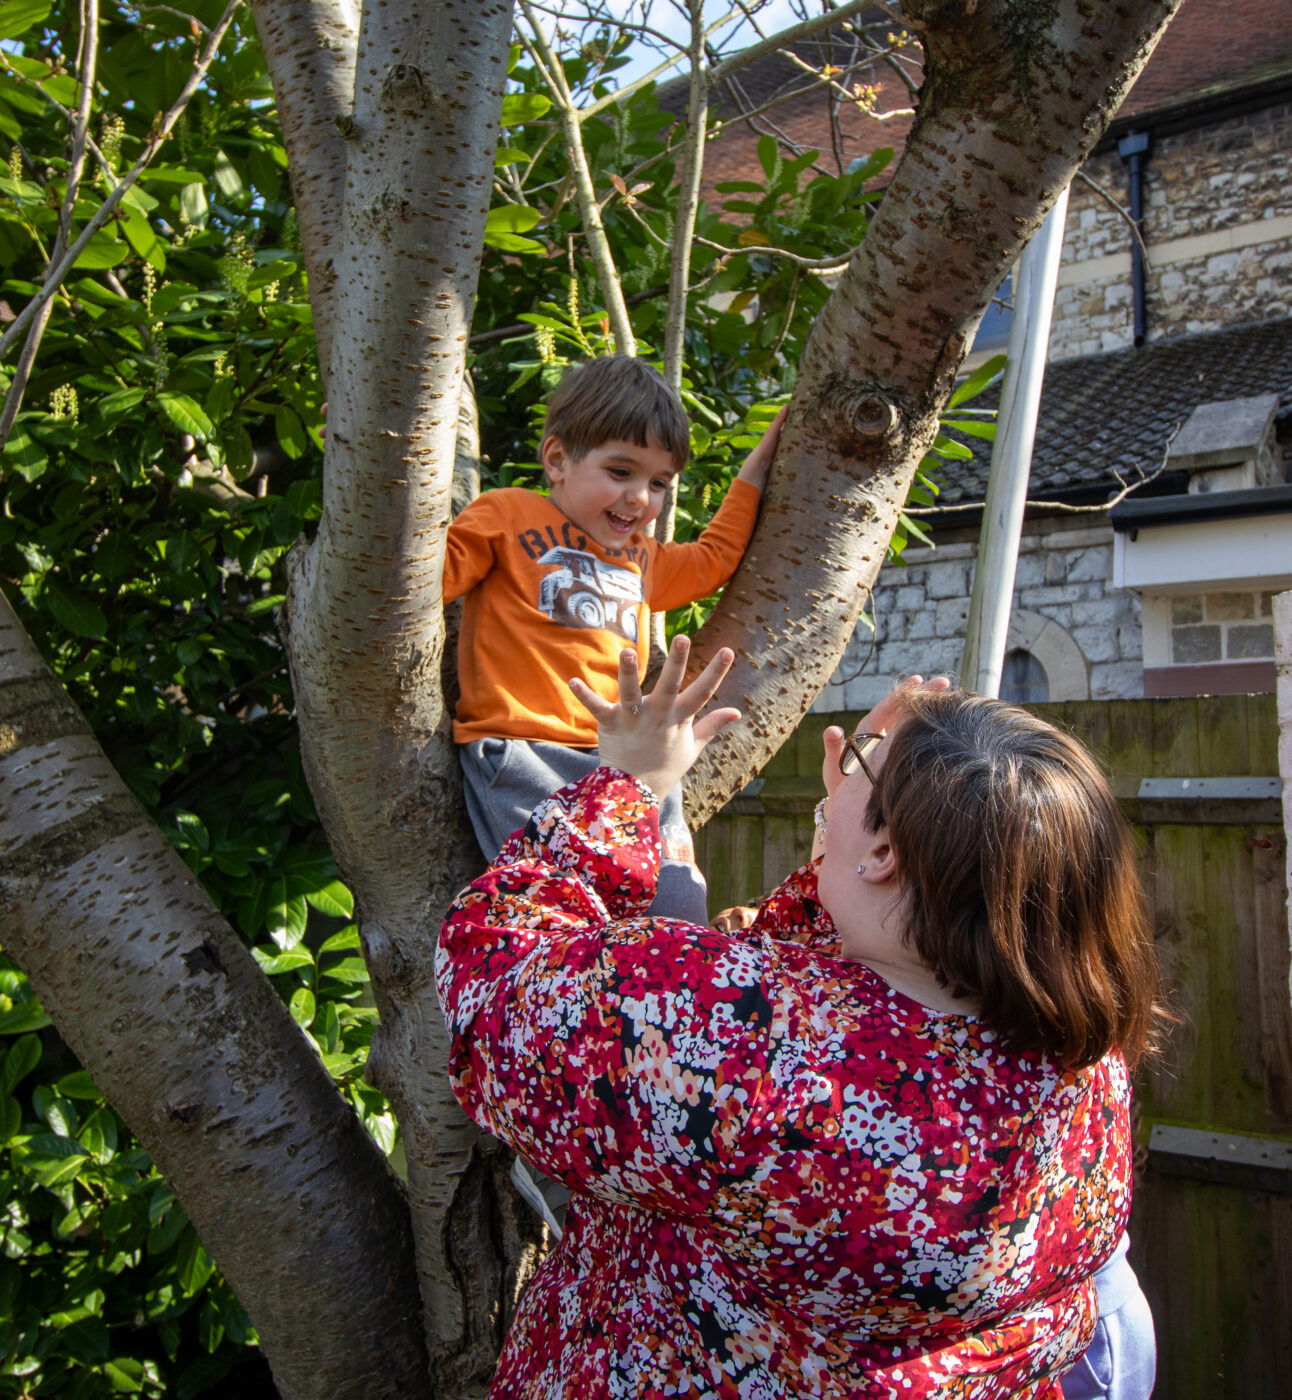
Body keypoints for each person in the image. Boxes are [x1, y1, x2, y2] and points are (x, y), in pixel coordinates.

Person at [436, 642, 1161, 1398]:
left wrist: (625, 788)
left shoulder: (743, 1042)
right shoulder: (1082, 1062)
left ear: (884, 852)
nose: (851, 759)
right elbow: (869, 971)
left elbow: (494, 984)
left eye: (866, 763)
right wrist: (861, 822)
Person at [443, 354, 783, 926]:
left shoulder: (643, 557)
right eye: (620, 473)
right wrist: (378, 476)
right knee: (565, 910)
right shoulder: (505, 514)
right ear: (557, 459)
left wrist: (757, 469)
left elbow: (716, 558)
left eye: (658, 484)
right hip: (527, 752)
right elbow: (421, 575)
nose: (639, 499)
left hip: (630, 756)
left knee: (676, 906)